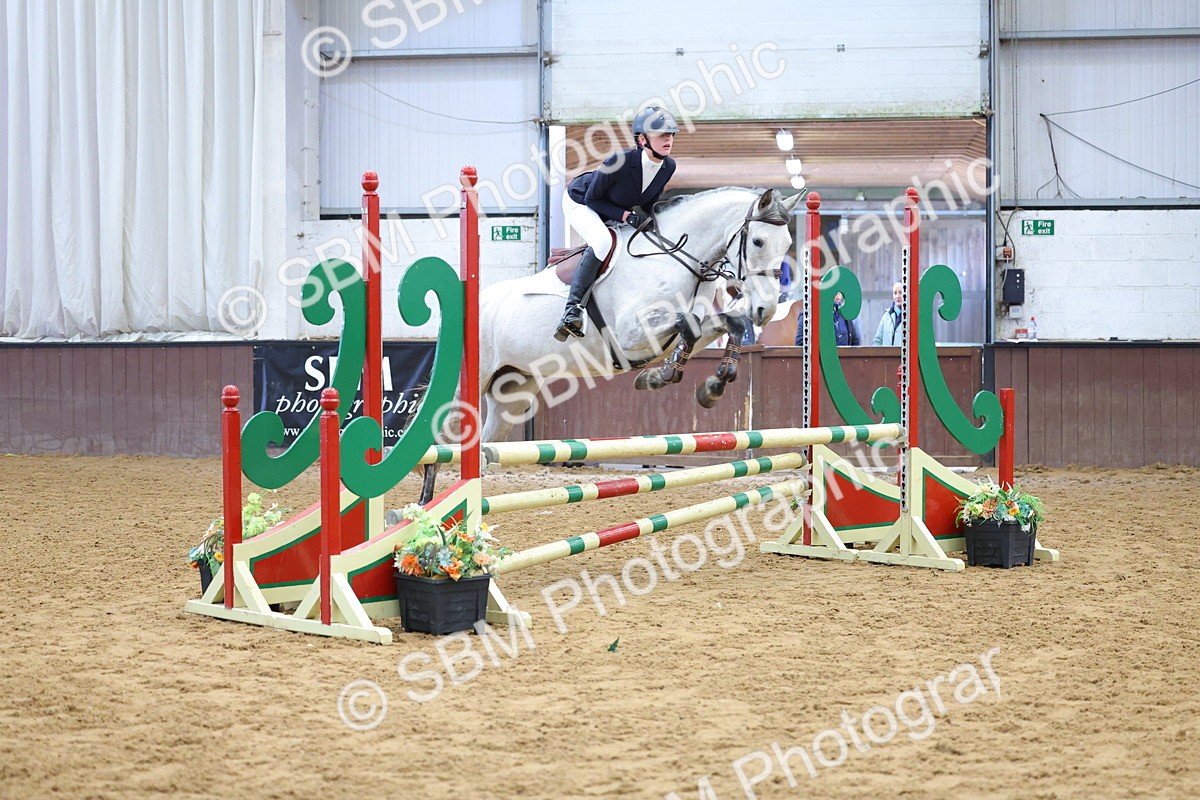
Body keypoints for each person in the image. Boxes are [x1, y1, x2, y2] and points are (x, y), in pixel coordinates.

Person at [554, 106, 679, 341]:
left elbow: (648, 202)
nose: (668, 139)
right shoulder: (619, 160)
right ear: (642, 139)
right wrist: (624, 216)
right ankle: (572, 311)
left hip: (611, 208)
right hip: (581, 201)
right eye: (662, 134)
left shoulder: (668, 166)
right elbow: (593, 198)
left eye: (671, 134)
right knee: (602, 242)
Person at [792, 292, 861, 347]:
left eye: (840, 293)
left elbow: (855, 341)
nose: (838, 296)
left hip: (844, 361)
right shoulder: (809, 315)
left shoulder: (846, 314)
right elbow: (800, 343)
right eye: (835, 292)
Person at [871, 282, 905, 346]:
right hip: (887, 355)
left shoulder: (911, 317)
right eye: (895, 293)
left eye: (900, 293)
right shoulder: (886, 317)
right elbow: (877, 340)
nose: (897, 296)